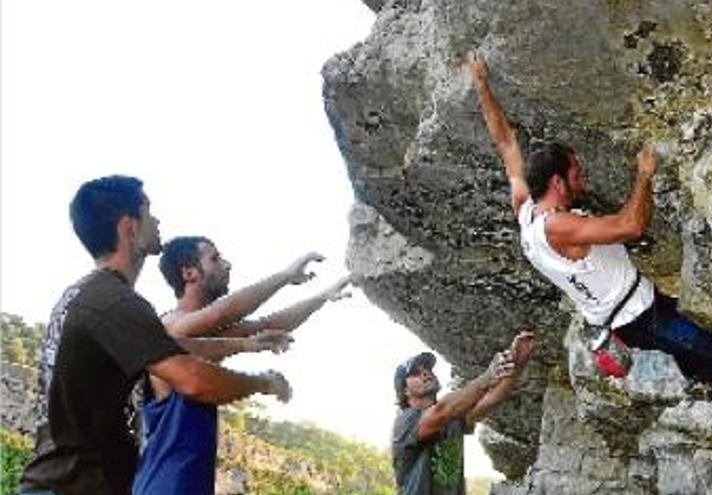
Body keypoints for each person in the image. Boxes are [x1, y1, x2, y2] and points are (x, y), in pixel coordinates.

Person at [468, 52, 712, 475]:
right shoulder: (559, 227)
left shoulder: (524, 210)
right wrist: (644, 174)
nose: (585, 175)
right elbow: (632, 225)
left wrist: (483, 85)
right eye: (577, 171)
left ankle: (707, 382)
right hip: (640, 316)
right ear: (558, 182)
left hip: (628, 314)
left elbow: (505, 141)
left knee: (697, 356)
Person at [19, 176, 292, 495]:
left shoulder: (85, 295)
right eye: (147, 210)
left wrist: (245, 344)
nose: (157, 219)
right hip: (72, 487)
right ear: (129, 227)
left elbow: (170, 346)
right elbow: (193, 379)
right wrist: (263, 383)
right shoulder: (114, 302)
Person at [133, 235, 351, 495]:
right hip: (165, 486)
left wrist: (323, 297)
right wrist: (285, 276)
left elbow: (267, 326)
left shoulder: (208, 335)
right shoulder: (170, 325)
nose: (227, 265)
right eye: (215, 258)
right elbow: (222, 313)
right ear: (189, 273)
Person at [392, 331, 536, 494]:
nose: (425, 373)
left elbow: (492, 399)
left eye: (427, 368)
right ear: (404, 391)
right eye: (415, 373)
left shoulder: (453, 418)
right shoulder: (406, 421)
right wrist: (488, 377)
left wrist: (518, 363)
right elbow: (442, 411)